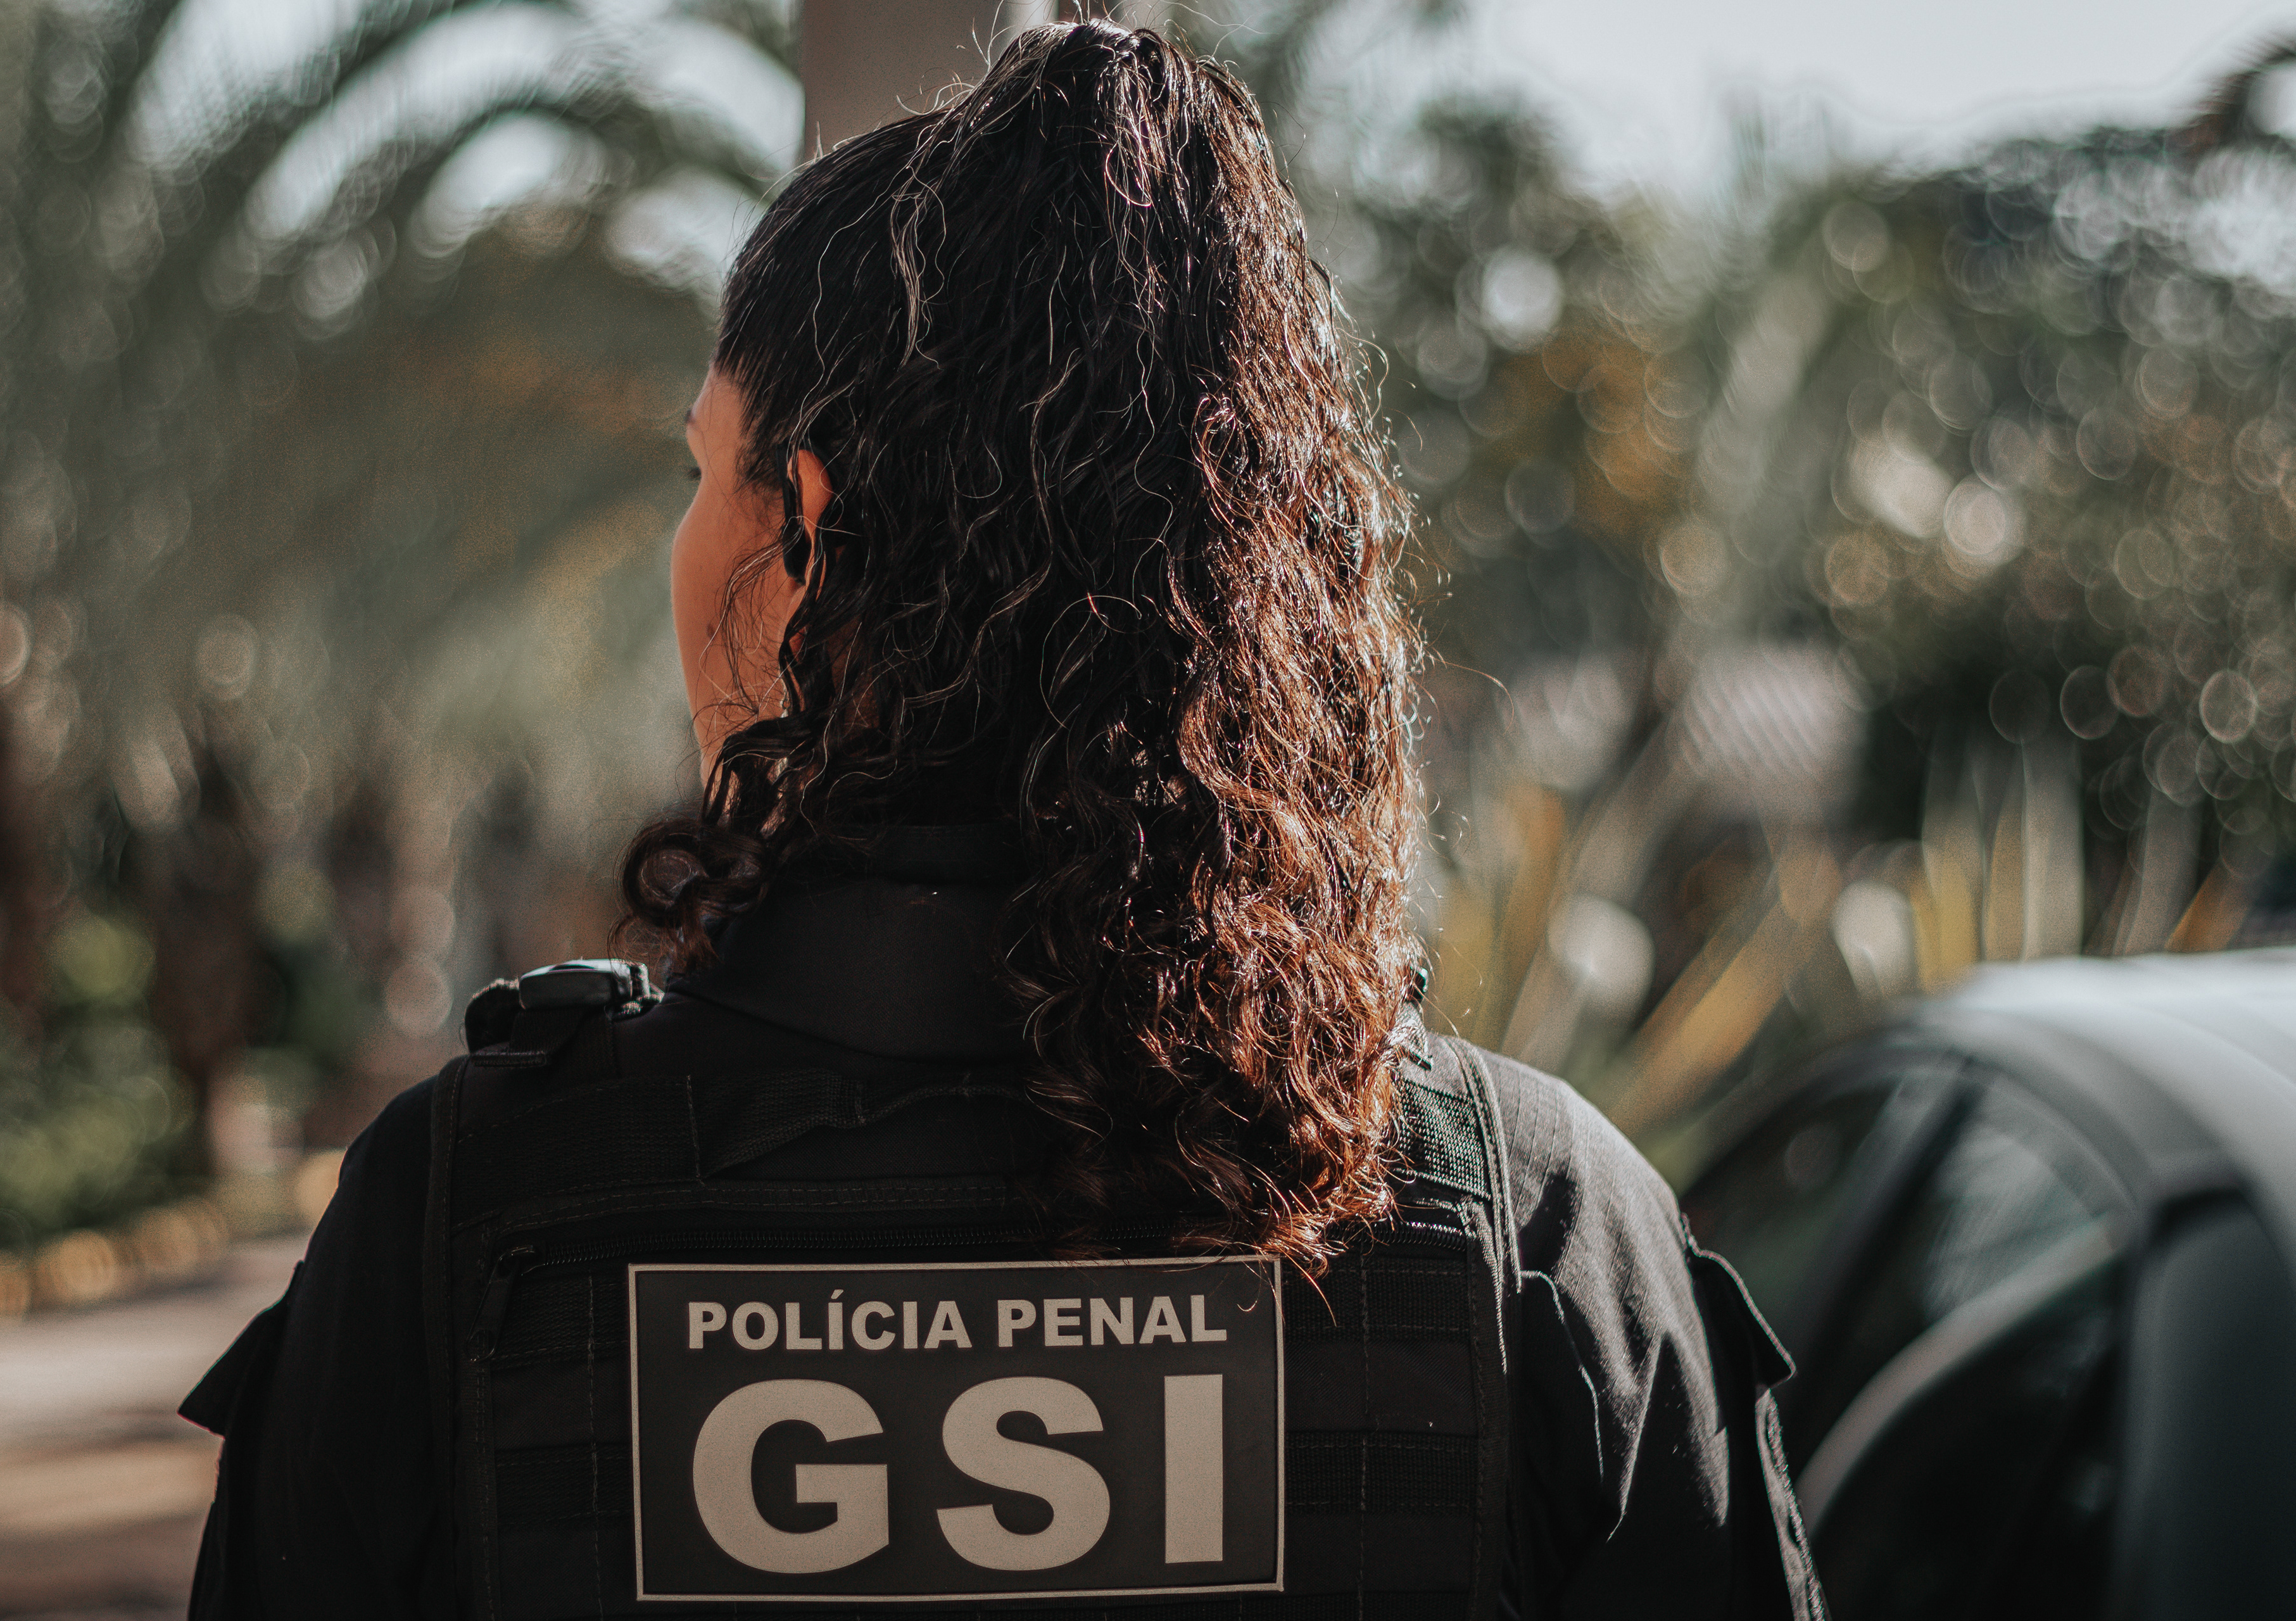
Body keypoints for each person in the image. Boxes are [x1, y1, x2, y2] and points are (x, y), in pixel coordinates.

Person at [184, 22, 1824, 1620]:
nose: (681, 539)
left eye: (701, 473)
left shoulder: (464, 1218)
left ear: (809, 529)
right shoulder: (1533, 1229)